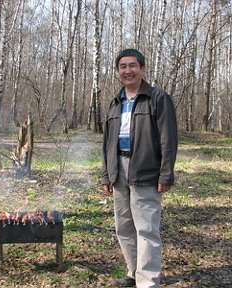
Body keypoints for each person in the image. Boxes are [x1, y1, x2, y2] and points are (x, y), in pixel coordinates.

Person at [101, 48, 178, 288]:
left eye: (132, 65)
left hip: (145, 171)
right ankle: (133, 273)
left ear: (142, 68)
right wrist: (106, 174)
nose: (128, 71)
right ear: (117, 71)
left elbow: (169, 139)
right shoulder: (115, 103)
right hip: (119, 170)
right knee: (123, 227)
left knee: (146, 230)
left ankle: (147, 282)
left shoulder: (157, 98)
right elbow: (106, 143)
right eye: (123, 66)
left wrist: (166, 173)